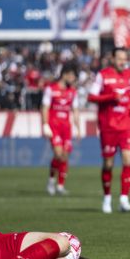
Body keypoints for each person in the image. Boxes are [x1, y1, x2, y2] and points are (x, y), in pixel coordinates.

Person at [88, 47, 130, 214]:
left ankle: (124, 199)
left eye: (125, 59)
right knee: (108, 164)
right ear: (112, 59)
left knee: (128, 158)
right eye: (119, 59)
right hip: (108, 126)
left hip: (126, 125)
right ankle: (107, 198)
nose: (122, 62)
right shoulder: (103, 75)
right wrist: (110, 97)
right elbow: (91, 96)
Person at [42, 63, 81, 196]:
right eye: (72, 76)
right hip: (54, 126)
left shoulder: (73, 92)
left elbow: (75, 110)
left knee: (64, 156)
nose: (73, 79)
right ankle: (51, 181)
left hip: (66, 127)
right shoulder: (51, 89)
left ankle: (60, 185)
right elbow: (45, 108)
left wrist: (78, 128)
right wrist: (45, 125)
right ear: (64, 75)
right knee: (58, 154)